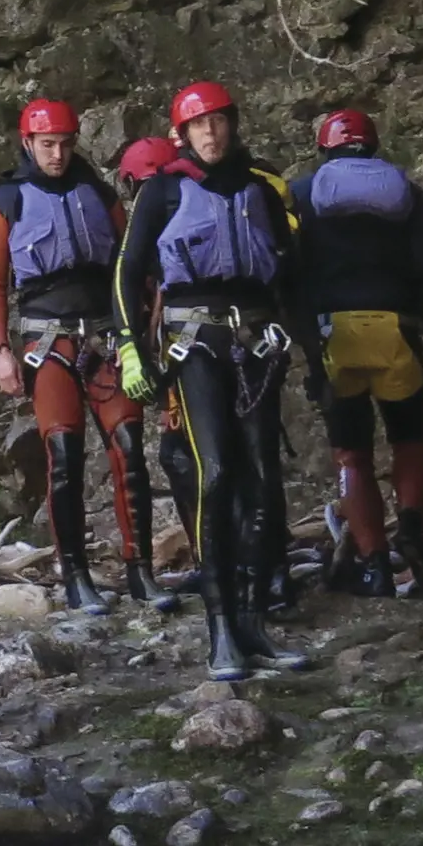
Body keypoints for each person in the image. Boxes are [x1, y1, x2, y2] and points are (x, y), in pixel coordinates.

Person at [119, 81, 309, 680]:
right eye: (199, 125)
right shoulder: (163, 190)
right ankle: (220, 629)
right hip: (195, 342)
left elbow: (286, 274)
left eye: (219, 121)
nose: (210, 133)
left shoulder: (259, 188)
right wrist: (131, 347)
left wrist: (300, 341)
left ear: (231, 123)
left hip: (253, 339)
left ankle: (254, 623)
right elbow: (127, 273)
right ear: (182, 134)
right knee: (216, 473)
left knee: (259, 478)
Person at [0, 98, 153, 614]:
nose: (57, 154)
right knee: (65, 456)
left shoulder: (97, 193)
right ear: (28, 143)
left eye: (65, 144)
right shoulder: (6, 199)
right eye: (47, 144)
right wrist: (1, 351)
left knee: (129, 444)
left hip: (105, 335)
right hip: (46, 340)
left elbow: (131, 265)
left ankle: (140, 569)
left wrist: (140, 332)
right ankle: (75, 576)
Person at [292, 108, 423, 596]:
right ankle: (409, 528)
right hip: (396, 329)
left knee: (352, 454)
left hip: (334, 334)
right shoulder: (408, 194)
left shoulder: (301, 193)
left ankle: (373, 561)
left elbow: (286, 265)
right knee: (410, 437)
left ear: (325, 149)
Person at [117, 133, 199, 602]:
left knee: (184, 457)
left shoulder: (157, 225)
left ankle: (215, 561)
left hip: (185, 352)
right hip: (203, 349)